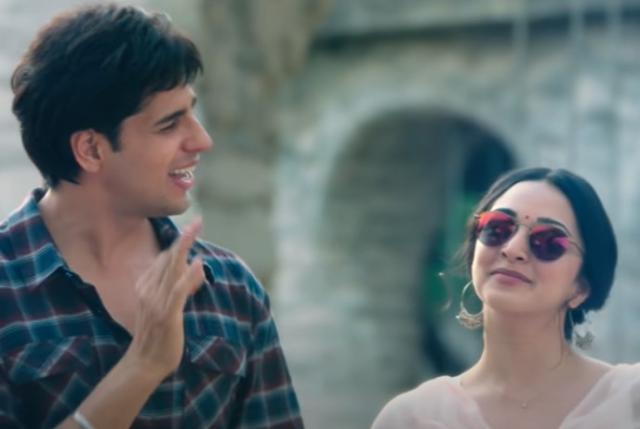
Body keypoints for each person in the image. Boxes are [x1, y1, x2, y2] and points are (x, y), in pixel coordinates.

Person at [0, 3, 303, 428]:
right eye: (169, 124)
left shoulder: (231, 287)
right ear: (91, 149)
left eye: (192, 112)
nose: (201, 140)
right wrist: (143, 366)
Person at [372, 167, 640, 429]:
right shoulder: (411, 418)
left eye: (548, 242)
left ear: (580, 288)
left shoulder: (630, 402)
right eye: (497, 228)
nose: (512, 249)